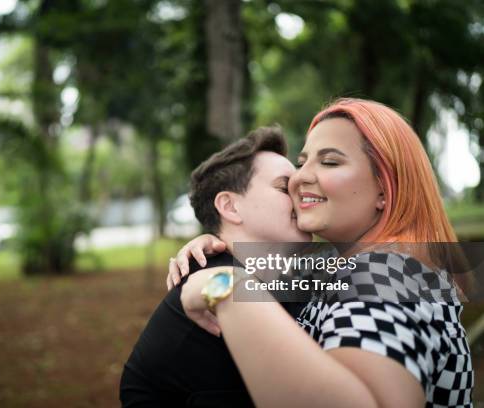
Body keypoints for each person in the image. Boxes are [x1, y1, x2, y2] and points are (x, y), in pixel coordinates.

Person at [170, 98, 474, 407]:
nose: (299, 178)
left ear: (384, 189)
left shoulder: (381, 271)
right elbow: (274, 275)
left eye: (329, 162)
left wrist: (224, 284)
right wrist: (221, 239)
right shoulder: (348, 266)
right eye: (302, 163)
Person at [119, 127, 311, 407]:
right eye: (284, 187)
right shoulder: (213, 299)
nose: (302, 196)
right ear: (230, 207)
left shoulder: (288, 277)